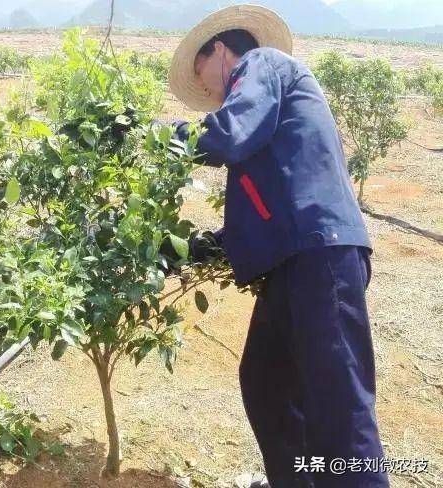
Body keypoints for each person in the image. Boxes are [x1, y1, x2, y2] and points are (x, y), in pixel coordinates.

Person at [168, 5, 388, 488]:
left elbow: (230, 135)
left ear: (222, 51)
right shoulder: (266, 115)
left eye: (202, 75)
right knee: (267, 385)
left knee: (340, 411)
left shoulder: (262, 65)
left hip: (318, 256)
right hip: (293, 262)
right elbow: (266, 204)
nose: (206, 90)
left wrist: (161, 138)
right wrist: (188, 249)